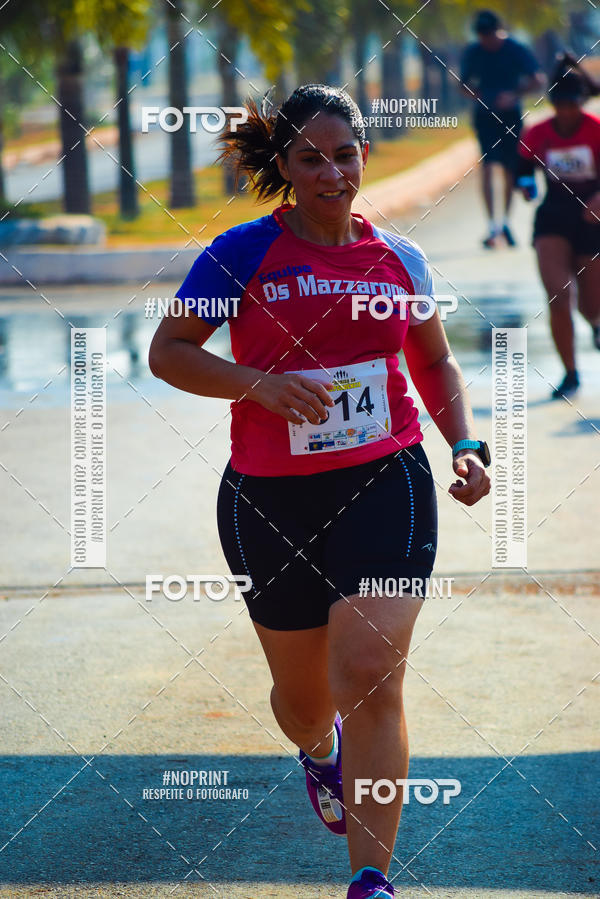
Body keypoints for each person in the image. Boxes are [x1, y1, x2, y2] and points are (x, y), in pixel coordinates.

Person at [148, 84, 491, 899]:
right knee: (305, 702)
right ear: (286, 164)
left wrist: (465, 442)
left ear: (365, 155)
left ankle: (371, 880)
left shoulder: (400, 259)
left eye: (344, 155)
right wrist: (257, 384)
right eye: (311, 158)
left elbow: (433, 359)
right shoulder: (240, 255)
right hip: (270, 498)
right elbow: (169, 350)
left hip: (387, 480)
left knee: (371, 669)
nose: (332, 173)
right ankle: (318, 750)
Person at [517, 53, 600, 399]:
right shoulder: (538, 133)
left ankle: (595, 323)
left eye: (572, 105)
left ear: (581, 102)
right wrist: (526, 183)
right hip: (553, 215)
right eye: (560, 105)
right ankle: (570, 373)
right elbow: (522, 166)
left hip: (591, 219)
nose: (566, 112)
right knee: (558, 294)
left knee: (591, 304)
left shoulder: (595, 130)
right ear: (552, 104)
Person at [460, 9, 545, 248]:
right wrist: (478, 96)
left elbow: (537, 79)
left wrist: (514, 95)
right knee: (488, 166)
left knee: (510, 168)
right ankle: (492, 225)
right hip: (484, 116)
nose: (486, 39)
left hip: (510, 116)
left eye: (489, 34)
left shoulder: (515, 49)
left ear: (499, 29)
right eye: (482, 35)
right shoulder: (474, 51)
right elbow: (462, 84)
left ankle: (505, 222)